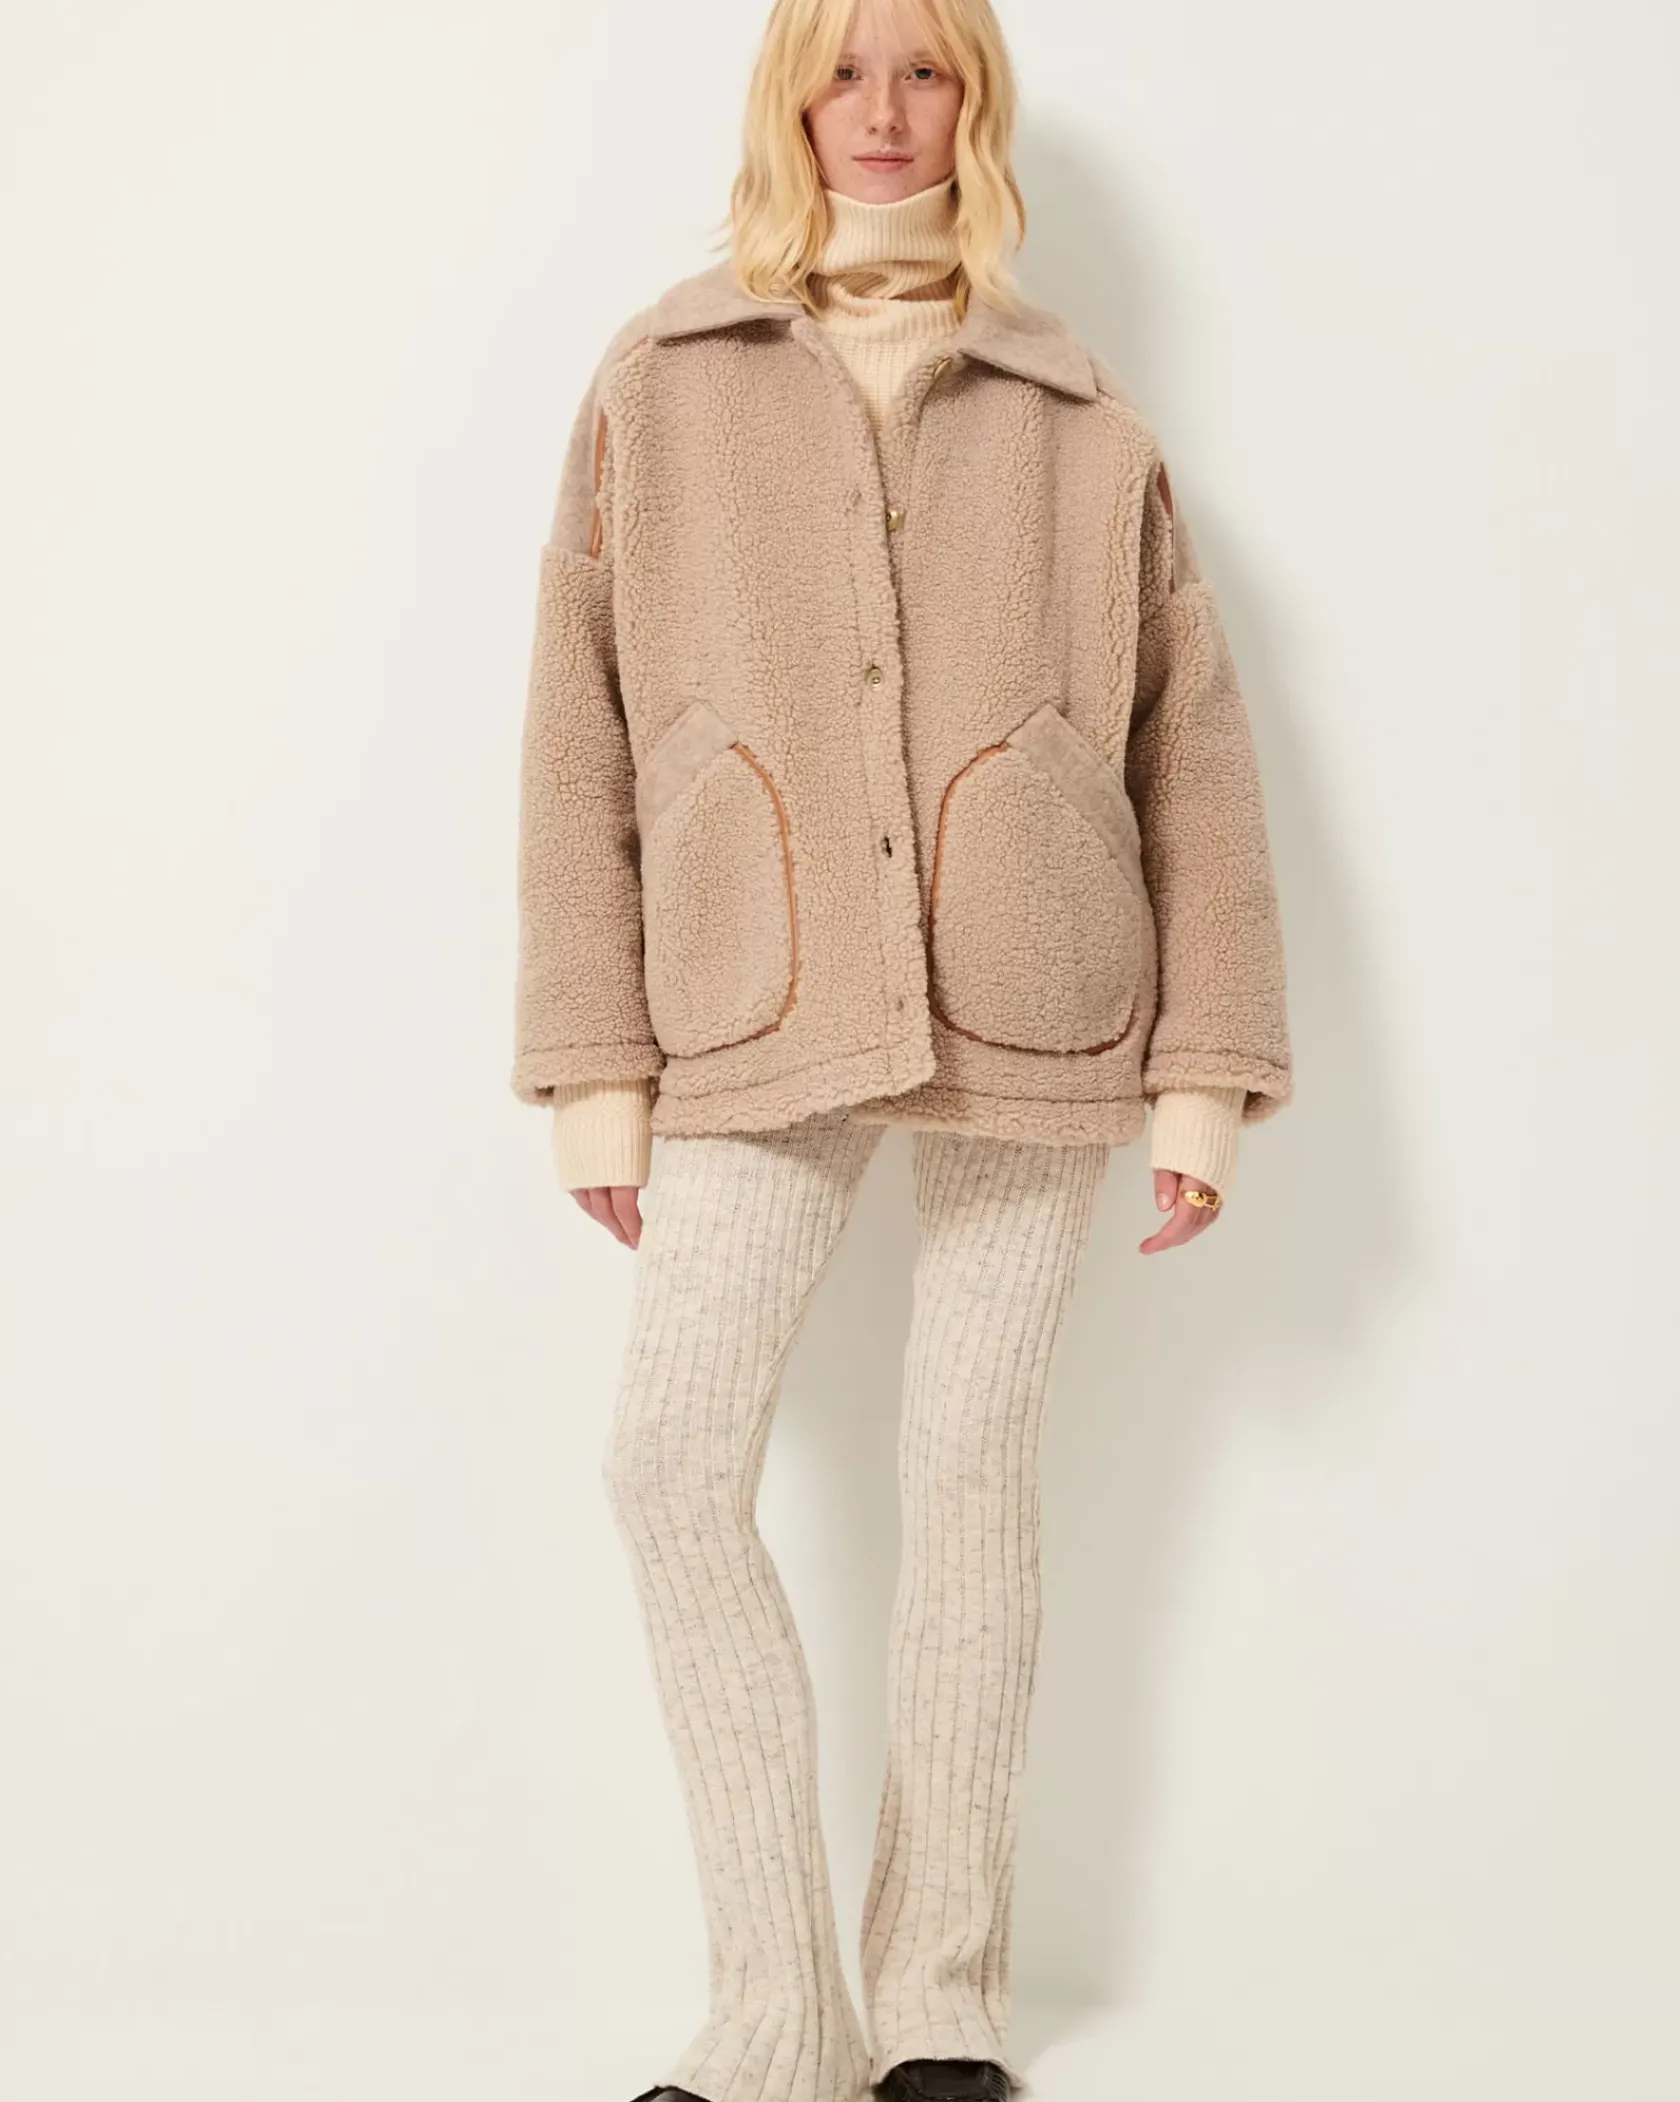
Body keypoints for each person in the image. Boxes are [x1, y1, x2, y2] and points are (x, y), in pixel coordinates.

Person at [510, 2, 1292, 2097]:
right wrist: (596, 1065)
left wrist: (1204, 1074)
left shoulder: (1076, 412)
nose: (881, 110)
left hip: (1043, 1001)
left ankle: (938, 2005)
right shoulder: (661, 380)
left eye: (924, 69)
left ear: (976, 104)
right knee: (669, 1464)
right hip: (749, 988)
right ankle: (776, 2017)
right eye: (843, 67)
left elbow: (1196, 752)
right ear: (786, 96)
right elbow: (576, 728)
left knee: (966, 1476)